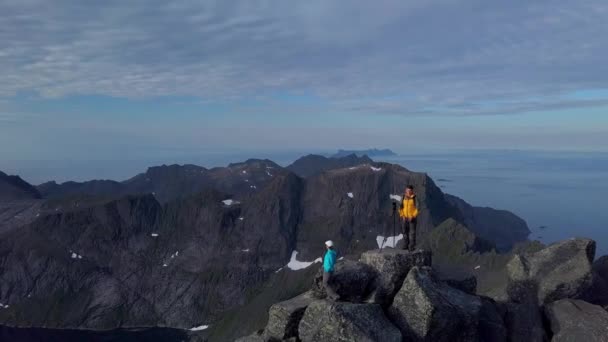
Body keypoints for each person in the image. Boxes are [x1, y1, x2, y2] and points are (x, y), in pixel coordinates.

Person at [399, 185, 419, 251]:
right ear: (406, 190)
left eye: (410, 190)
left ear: (412, 191)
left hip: (412, 218)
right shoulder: (403, 197)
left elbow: (418, 208)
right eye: (407, 190)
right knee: (405, 232)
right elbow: (400, 207)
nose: (409, 192)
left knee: (412, 233)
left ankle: (411, 246)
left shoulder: (414, 198)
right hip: (405, 218)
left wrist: (413, 216)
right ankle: (406, 245)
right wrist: (402, 215)